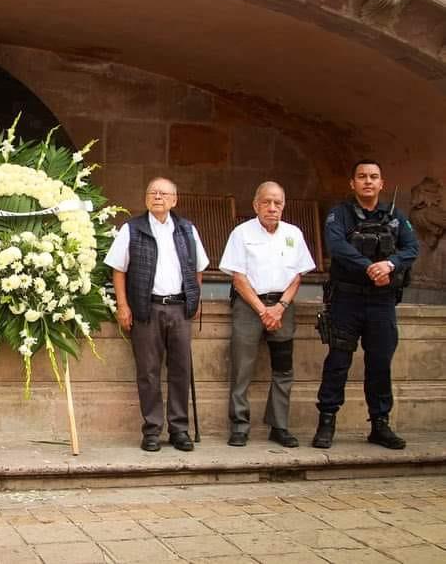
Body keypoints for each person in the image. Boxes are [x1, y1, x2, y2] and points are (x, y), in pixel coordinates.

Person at [313, 160, 419, 449]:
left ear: (382, 183)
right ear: (352, 183)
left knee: (380, 362)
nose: (368, 181)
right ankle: (326, 421)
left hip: (382, 303)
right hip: (347, 300)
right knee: (338, 361)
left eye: (373, 177)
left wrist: (390, 264)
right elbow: (337, 248)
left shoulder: (396, 216)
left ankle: (380, 425)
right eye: (362, 177)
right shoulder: (340, 214)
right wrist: (370, 268)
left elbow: (412, 248)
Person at [105, 177, 209, 452]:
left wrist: (194, 297)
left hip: (179, 308)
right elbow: (118, 270)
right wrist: (123, 306)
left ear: (175, 200)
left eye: (164, 193)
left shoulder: (187, 229)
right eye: (152, 193)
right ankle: (152, 430)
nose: (158, 197)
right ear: (145, 199)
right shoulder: (132, 229)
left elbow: (198, 268)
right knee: (148, 372)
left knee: (180, 370)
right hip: (146, 308)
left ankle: (179, 430)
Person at [219, 182, 316, 448]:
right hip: (250, 307)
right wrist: (263, 311)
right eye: (266, 202)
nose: (272, 208)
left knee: (283, 368)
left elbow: (298, 275)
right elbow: (238, 277)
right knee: (242, 367)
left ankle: (280, 425)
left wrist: (280, 307)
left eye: (277, 203)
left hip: (282, 307)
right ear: (255, 205)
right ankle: (239, 426)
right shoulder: (241, 233)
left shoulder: (293, 233)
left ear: (284, 205)